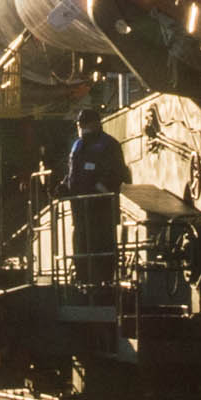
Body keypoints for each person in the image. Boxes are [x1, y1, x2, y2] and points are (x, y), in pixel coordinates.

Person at [62, 106, 127, 288]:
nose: (82, 127)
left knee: (103, 245)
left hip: (101, 210)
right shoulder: (79, 145)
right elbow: (73, 174)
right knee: (81, 246)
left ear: (96, 124)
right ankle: (82, 280)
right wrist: (64, 186)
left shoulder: (109, 145)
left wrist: (98, 189)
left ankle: (105, 282)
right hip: (80, 211)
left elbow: (117, 175)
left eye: (85, 124)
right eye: (80, 124)